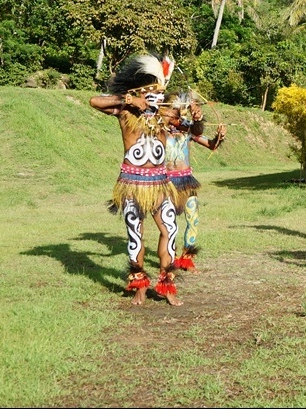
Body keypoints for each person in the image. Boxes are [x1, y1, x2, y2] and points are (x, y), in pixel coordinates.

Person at [90, 53, 183, 306]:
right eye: (153, 92)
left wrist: (196, 117)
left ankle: (166, 285)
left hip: (161, 185)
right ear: (142, 92)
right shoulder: (125, 111)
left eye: (161, 93)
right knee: (135, 235)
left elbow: (189, 125)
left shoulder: (164, 116)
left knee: (170, 230)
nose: (159, 97)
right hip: (132, 184)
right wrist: (130, 100)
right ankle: (139, 286)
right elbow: (94, 101)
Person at [163, 92, 226, 272]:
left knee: (193, 220)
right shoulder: (159, 130)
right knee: (169, 224)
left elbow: (211, 144)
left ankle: (187, 259)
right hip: (166, 183)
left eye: (180, 109)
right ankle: (169, 258)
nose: (177, 113)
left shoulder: (187, 128)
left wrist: (219, 137)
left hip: (187, 182)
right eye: (174, 109)